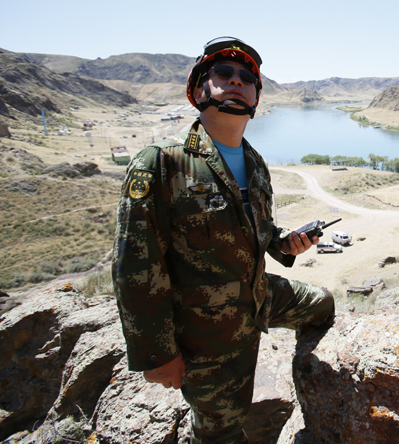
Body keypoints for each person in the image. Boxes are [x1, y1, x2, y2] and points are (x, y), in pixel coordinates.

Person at [112, 37, 335, 444]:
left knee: (323, 305)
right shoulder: (164, 162)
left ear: (256, 96)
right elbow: (135, 266)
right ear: (199, 89)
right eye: (223, 73)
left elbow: (256, 229)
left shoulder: (255, 162)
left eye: (247, 78)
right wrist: (157, 353)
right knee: (222, 433)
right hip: (206, 330)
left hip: (259, 294)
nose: (236, 81)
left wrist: (285, 243)